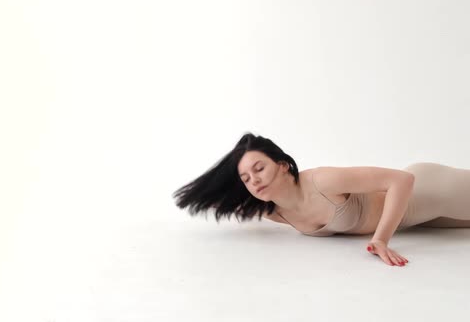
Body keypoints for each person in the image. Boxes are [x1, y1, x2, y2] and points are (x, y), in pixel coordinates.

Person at [172, 132, 470, 267]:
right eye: (246, 179)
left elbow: (401, 180)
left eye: (259, 168)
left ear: (283, 164)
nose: (254, 180)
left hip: (433, 191)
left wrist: (380, 240)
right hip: (422, 219)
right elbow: (219, 201)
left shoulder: (322, 181)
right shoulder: (274, 212)